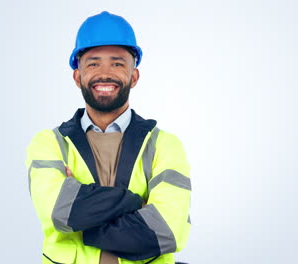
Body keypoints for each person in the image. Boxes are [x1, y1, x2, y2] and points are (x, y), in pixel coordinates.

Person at [26, 11, 192, 264]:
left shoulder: (164, 146)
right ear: (77, 76)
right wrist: (136, 202)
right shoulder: (50, 143)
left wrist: (84, 219)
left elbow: (166, 231)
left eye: (117, 63)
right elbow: (60, 212)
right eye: (93, 63)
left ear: (133, 76)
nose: (105, 73)